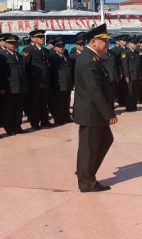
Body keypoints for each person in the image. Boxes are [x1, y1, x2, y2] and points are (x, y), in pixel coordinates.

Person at [73, 23, 117, 192]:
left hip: (94, 111)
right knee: (89, 148)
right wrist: (109, 114)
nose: (108, 44)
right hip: (92, 112)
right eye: (104, 41)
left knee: (104, 141)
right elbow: (95, 91)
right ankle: (86, 181)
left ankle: (85, 171)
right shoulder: (89, 61)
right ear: (93, 42)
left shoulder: (92, 57)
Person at [0, 35, 29, 135]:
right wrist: (1, 87)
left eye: (15, 43)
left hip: (20, 86)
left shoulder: (18, 56)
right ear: (5, 44)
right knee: (8, 108)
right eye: (10, 43)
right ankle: (8, 127)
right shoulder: (2, 56)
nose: (13, 45)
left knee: (18, 108)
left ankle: (17, 126)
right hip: (9, 87)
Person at [22, 29, 52, 129]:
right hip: (34, 82)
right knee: (34, 103)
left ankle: (44, 120)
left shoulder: (45, 51)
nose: (42, 39)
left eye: (43, 37)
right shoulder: (28, 50)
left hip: (44, 81)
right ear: (33, 39)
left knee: (44, 102)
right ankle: (35, 122)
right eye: (39, 37)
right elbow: (25, 67)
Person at [49, 39, 74, 125]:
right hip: (58, 84)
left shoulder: (66, 57)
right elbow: (51, 72)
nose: (61, 48)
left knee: (66, 101)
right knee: (58, 103)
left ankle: (66, 117)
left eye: (62, 47)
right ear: (55, 48)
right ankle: (59, 119)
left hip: (67, 83)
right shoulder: (52, 58)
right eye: (59, 47)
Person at [121, 37, 142, 112]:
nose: (135, 45)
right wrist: (126, 75)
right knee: (130, 91)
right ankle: (129, 107)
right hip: (130, 75)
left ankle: (134, 105)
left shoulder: (136, 52)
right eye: (133, 43)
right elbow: (125, 65)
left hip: (136, 74)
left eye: (135, 43)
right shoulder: (125, 52)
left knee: (136, 91)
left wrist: (139, 74)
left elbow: (138, 65)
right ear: (129, 44)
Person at [112, 35, 128, 107]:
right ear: (120, 41)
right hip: (121, 71)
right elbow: (118, 63)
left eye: (126, 40)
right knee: (120, 87)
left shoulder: (126, 49)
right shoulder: (116, 50)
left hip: (126, 70)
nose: (125, 42)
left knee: (125, 87)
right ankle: (121, 101)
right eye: (124, 40)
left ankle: (124, 100)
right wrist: (120, 72)